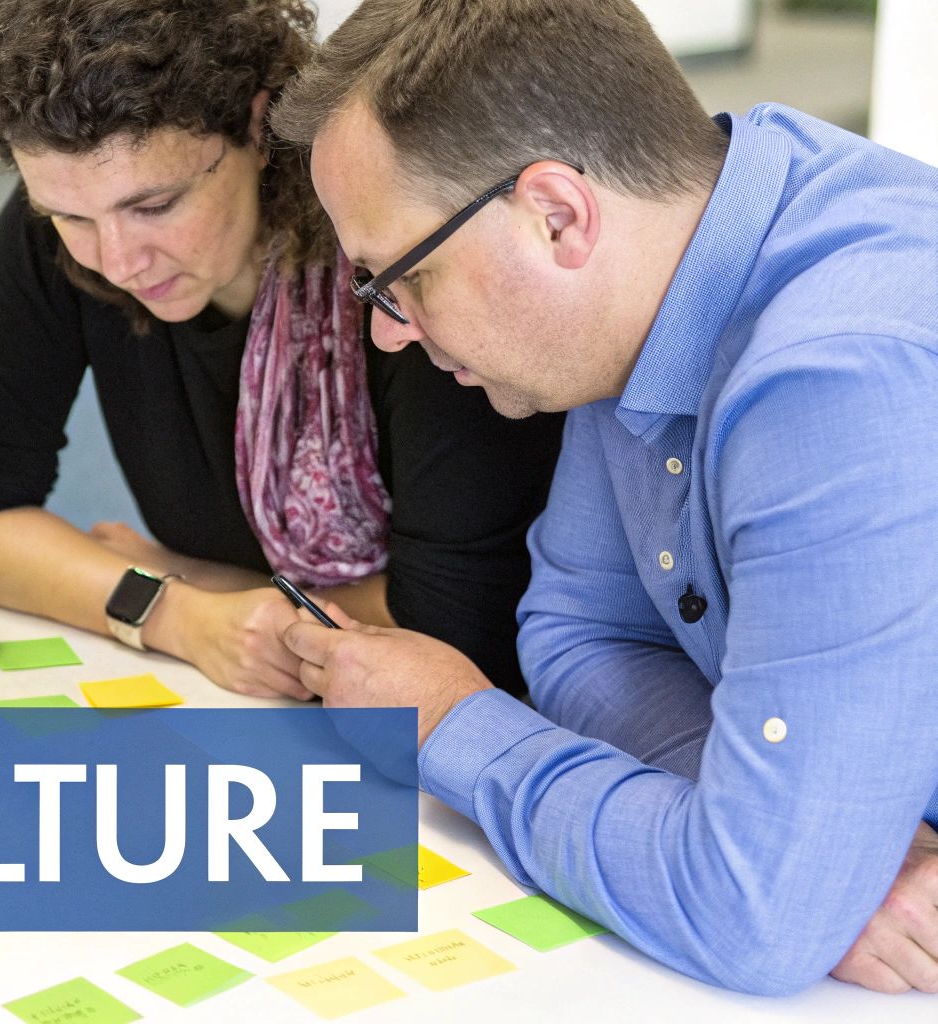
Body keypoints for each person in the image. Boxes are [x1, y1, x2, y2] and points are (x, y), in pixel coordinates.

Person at [269, 0, 938, 998]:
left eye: (392, 279)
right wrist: (800, 826)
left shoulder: (840, 376)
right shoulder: (661, 261)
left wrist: (454, 720)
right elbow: (579, 637)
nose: (385, 335)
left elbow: (750, 921)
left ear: (556, 215)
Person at [0, 0, 564, 701]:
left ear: (256, 122)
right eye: (69, 217)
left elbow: (451, 625)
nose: (119, 261)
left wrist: (195, 580)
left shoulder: (399, 259)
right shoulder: (76, 224)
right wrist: (175, 612)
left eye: (155, 206)